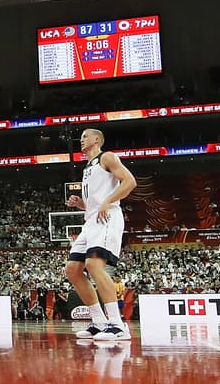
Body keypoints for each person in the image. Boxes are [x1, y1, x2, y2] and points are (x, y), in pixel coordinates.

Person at [65, 128, 136, 341]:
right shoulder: (88, 167)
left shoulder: (107, 157)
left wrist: (108, 201)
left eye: (85, 136)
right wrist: (82, 204)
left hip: (108, 217)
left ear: (96, 139)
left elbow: (130, 182)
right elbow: (95, 204)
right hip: (91, 220)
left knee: (94, 265)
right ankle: (99, 322)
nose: (81, 139)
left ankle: (117, 324)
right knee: (72, 270)